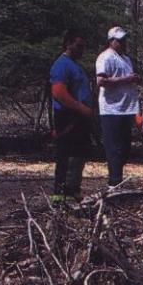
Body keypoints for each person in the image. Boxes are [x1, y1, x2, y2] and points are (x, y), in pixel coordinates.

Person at [49, 30, 93, 203]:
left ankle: (73, 191)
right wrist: (81, 108)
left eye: (83, 46)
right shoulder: (61, 65)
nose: (81, 50)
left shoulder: (75, 66)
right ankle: (61, 195)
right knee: (66, 156)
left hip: (79, 118)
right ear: (68, 44)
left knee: (79, 155)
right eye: (78, 46)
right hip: (68, 117)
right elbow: (59, 92)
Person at [95, 26, 139, 188]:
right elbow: (101, 81)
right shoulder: (105, 57)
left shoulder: (126, 59)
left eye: (124, 39)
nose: (123, 43)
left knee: (125, 147)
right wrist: (126, 79)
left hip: (126, 108)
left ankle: (118, 179)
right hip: (111, 109)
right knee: (113, 147)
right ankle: (114, 183)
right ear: (111, 41)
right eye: (119, 40)